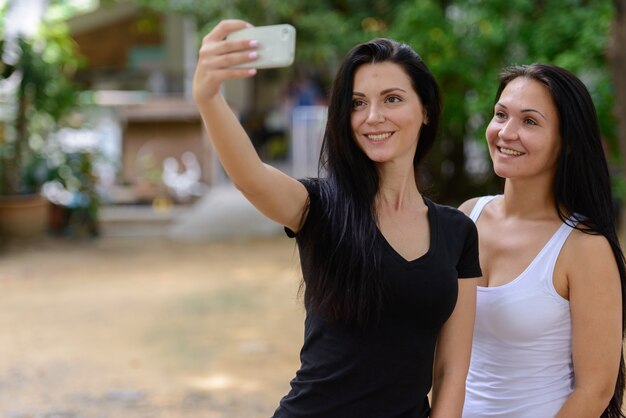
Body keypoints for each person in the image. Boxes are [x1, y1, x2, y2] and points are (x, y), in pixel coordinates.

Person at [193, 19, 481, 418]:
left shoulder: (458, 232)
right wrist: (209, 97)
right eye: (358, 103)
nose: (373, 116)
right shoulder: (320, 206)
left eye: (392, 99)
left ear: (426, 110)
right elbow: (250, 178)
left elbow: (452, 372)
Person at [460, 64, 626, 418]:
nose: (506, 132)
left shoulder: (583, 247)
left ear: (567, 143)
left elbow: (595, 390)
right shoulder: (466, 217)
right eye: (500, 114)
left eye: (530, 121)